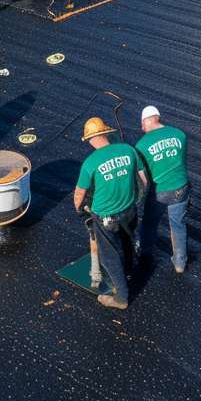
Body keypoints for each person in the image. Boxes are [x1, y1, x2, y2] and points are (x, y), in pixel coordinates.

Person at [74, 116, 145, 310]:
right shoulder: (128, 150)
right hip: (130, 210)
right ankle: (129, 271)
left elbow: (80, 193)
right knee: (127, 241)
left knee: (108, 257)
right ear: (106, 133)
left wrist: (79, 209)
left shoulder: (90, 163)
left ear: (89, 139)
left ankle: (121, 297)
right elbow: (142, 179)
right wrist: (136, 198)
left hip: (106, 216)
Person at [135, 106, 190, 273]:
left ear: (146, 120)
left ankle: (144, 252)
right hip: (181, 187)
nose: (141, 128)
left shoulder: (141, 145)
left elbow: (143, 177)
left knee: (150, 223)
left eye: (142, 124)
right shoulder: (180, 135)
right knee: (178, 224)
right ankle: (180, 262)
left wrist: (140, 197)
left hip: (160, 191)